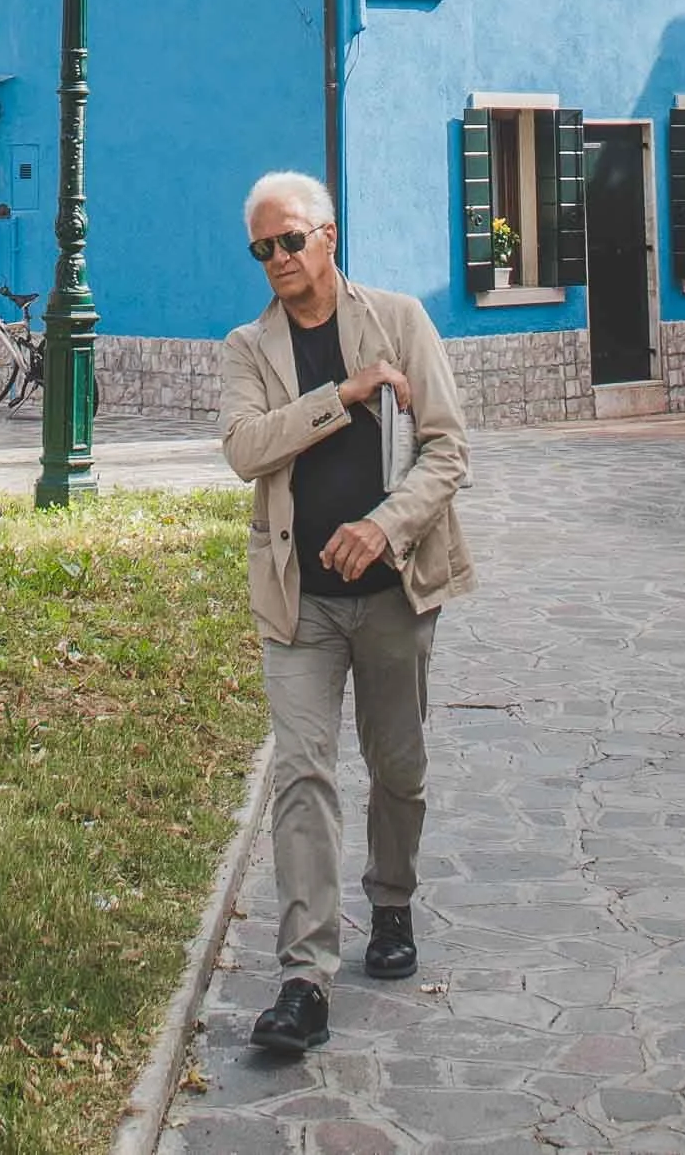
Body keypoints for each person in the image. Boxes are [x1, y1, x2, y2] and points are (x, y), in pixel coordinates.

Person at [220, 170, 474, 1057]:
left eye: (291, 240)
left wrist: (382, 526)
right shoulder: (248, 348)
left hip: (393, 592)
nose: (279, 260)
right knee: (303, 774)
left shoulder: (401, 320)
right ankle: (304, 977)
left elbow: (448, 451)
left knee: (398, 769)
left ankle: (392, 903)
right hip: (301, 603)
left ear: (329, 235)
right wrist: (345, 397)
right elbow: (246, 450)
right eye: (263, 248)